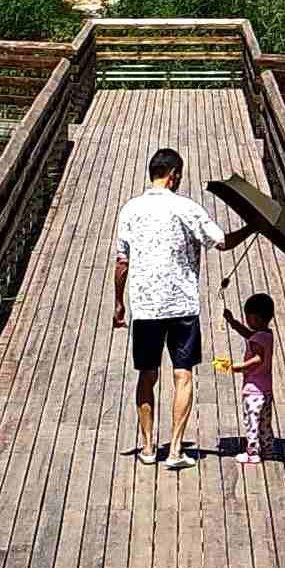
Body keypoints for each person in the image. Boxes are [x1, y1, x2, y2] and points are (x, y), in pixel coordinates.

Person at [110, 143, 231, 466]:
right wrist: (253, 228)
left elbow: (122, 263)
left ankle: (148, 448)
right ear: (174, 175)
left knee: (147, 375)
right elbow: (221, 241)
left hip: (146, 306)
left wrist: (119, 303)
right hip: (182, 307)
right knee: (183, 375)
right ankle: (176, 450)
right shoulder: (187, 208)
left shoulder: (130, 209)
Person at [227, 286, 278, 464]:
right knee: (265, 423)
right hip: (266, 390)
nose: (247, 320)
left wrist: (239, 367)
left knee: (252, 423)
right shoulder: (267, 334)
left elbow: (258, 359)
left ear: (255, 318)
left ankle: (252, 453)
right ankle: (268, 450)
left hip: (253, 390)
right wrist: (233, 323)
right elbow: (249, 335)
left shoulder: (258, 338)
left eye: (248, 317)